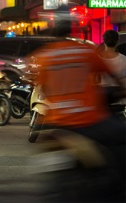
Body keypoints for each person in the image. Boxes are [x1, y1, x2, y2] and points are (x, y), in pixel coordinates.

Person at [30, 18, 126, 201]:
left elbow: (43, 88)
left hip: (55, 122)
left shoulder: (44, 56)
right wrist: (120, 90)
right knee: (122, 135)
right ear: (71, 30)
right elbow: (113, 77)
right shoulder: (86, 51)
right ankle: (120, 190)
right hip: (89, 121)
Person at [98, 29, 126, 105]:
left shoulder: (98, 60)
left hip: (104, 102)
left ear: (104, 41)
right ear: (117, 41)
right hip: (120, 102)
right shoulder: (124, 60)